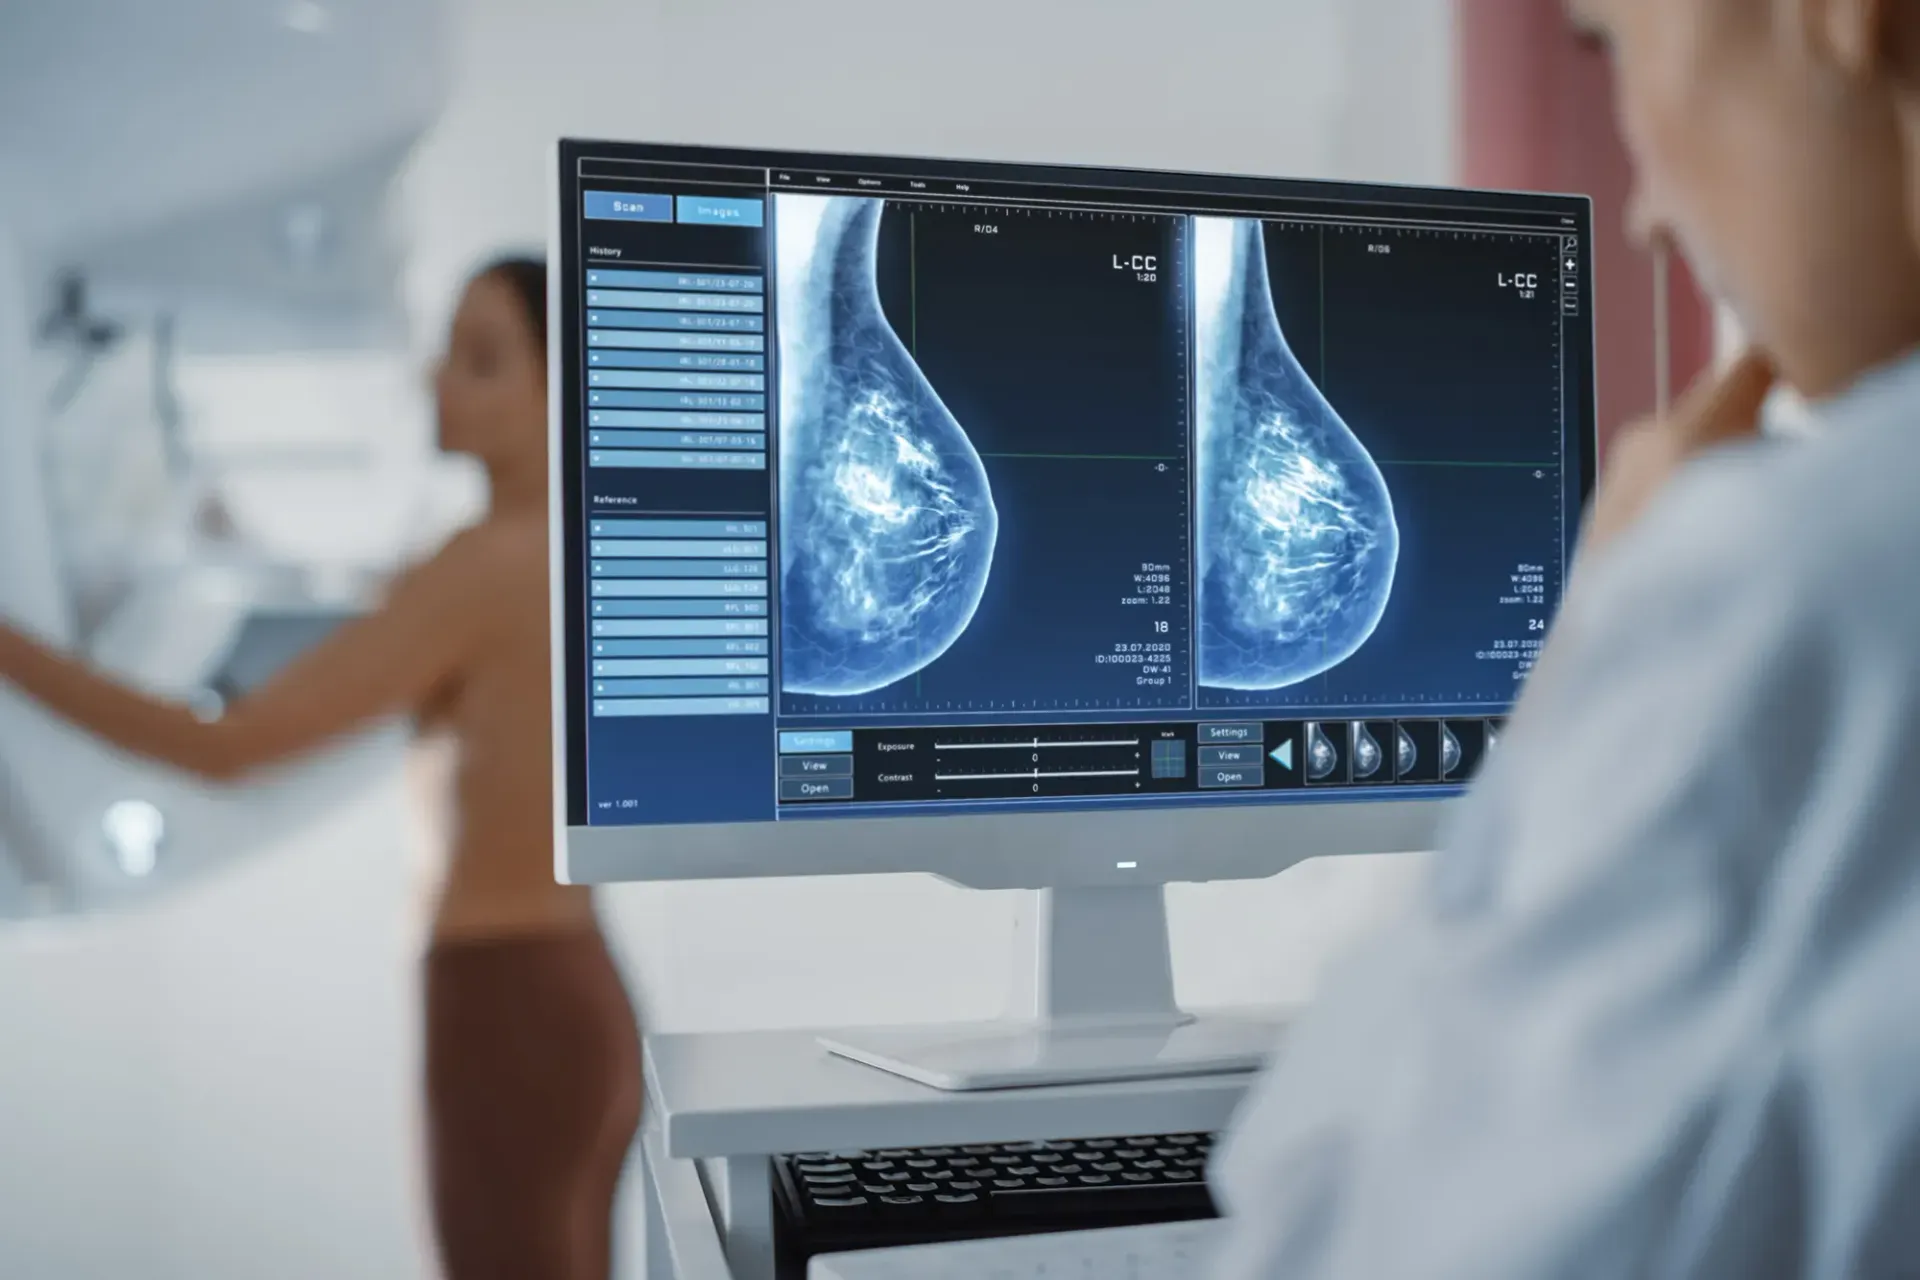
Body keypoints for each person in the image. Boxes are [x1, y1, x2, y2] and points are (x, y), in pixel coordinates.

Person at [1209, 1, 1920, 1276]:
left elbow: (1335, 1252)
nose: (1644, 211)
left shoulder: (1797, 584)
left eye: (1615, 47)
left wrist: (1587, 662)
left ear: (1841, 22)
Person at [0, 258, 642, 1280]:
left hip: (503, 999)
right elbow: (392, 621)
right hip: (581, 989)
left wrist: (12, 649)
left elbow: (230, 745)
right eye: (447, 353)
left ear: (562, 391)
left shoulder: (484, 566)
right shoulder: (567, 550)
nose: (439, 380)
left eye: (480, 360)